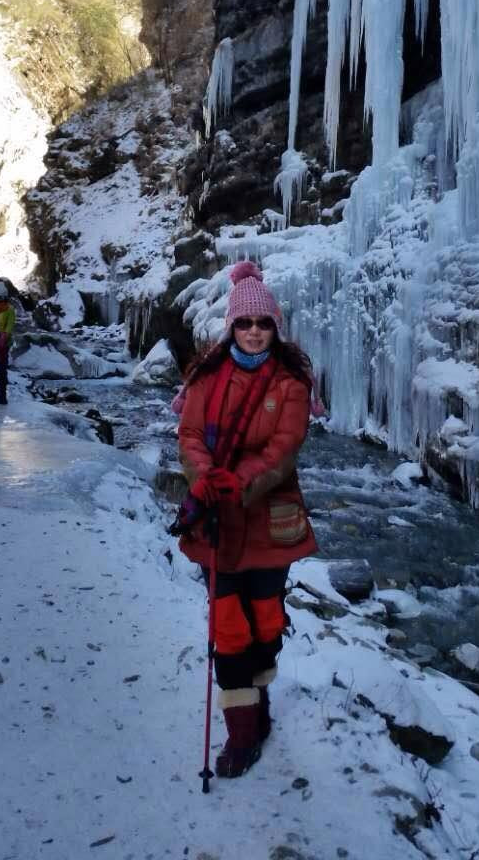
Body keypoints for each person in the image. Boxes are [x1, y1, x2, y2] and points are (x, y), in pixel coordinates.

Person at [173, 260, 317, 779]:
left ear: (275, 327)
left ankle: (257, 702)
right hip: (216, 520)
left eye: (263, 324)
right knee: (228, 622)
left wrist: (243, 480)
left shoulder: (292, 381)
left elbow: (285, 448)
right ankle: (241, 733)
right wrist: (205, 478)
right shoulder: (206, 375)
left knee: (266, 619)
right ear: (231, 326)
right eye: (244, 323)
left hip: (268, 521)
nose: (254, 332)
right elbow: (189, 436)